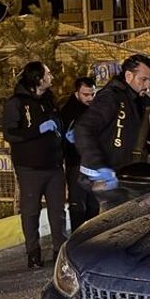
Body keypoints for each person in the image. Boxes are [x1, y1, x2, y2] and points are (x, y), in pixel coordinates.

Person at [1, 61, 66, 269]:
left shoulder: (49, 100)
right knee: (31, 212)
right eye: (48, 74)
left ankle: (60, 251)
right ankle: (33, 252)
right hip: (30, 168)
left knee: (58, 212)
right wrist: (37, 130)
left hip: (54, 165)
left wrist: (64, 137)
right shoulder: (16, 103)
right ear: (38, 79)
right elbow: (10, 134)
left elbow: (59, 125)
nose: (52, 77)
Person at [74, 53, 150, 209]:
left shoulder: (138, 100)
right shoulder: (110, 97)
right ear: (128, 76)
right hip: (110, 178)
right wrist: (99, 166)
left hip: (128, 177)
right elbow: (83, 128)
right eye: (143, 79)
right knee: (117, 219)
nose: (148, 85)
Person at [58, 76, 99, 231]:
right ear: (77, 93)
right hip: (77, 164)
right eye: (86, 95)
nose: (90, 98)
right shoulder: (68, 112)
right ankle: (79, 237)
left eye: (92, 94)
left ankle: (92, 237)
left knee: (93, 204)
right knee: (78, 205)